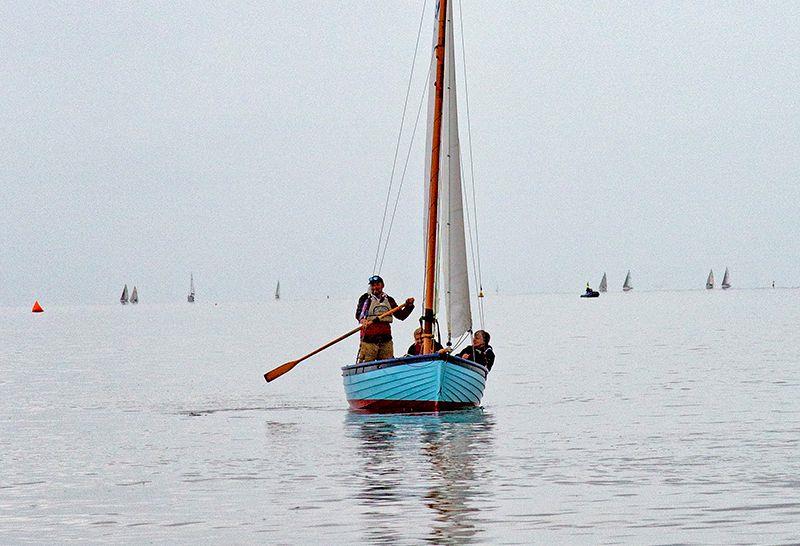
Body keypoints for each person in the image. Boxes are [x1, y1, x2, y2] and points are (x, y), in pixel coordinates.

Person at [355, 275, 414, 362]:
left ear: (382, 285)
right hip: (369, 340)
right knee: (367, 362)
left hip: (386, 340)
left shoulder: (389, 300)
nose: (375, 287)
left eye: (377, 284)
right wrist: (362, 320)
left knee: (387, 363)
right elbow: (359, 314)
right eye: (373, 285)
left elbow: (401, 316)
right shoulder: (365, 299)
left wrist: (409, 306)